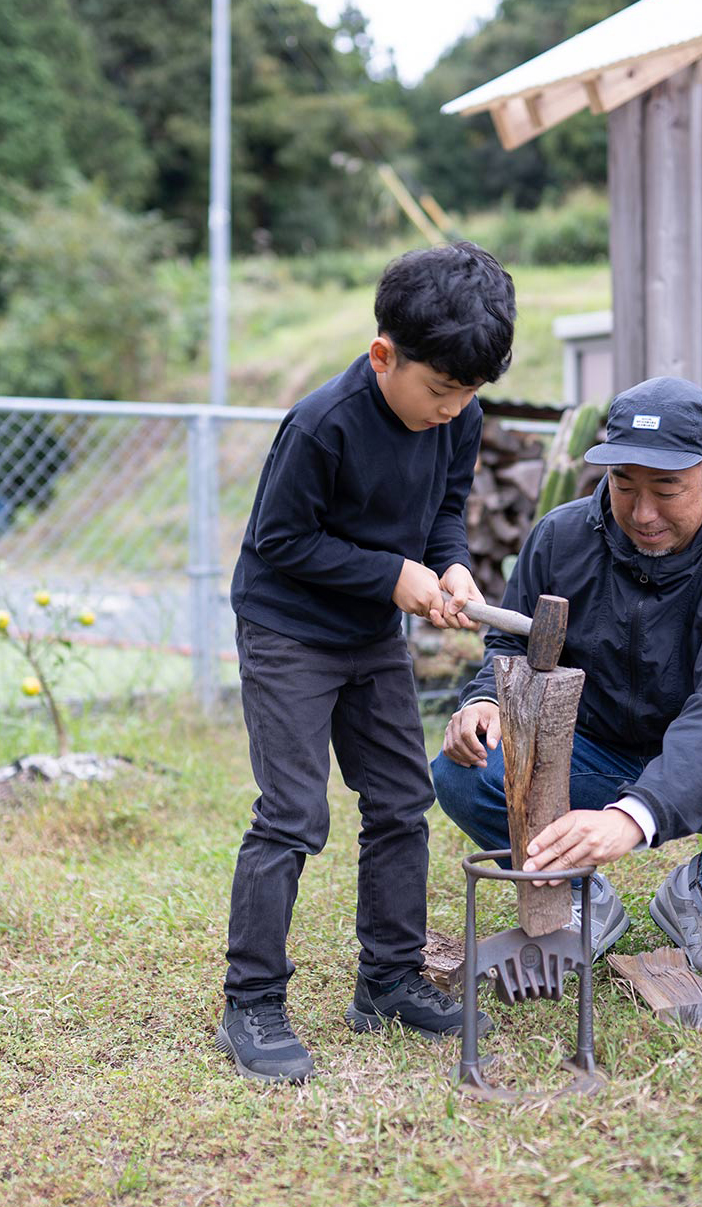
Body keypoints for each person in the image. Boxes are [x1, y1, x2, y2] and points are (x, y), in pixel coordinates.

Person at [434, 376, 702, 979]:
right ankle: (585, 898)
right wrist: (486, 701)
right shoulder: (561, 536)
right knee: (462, 771)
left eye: (667, 488)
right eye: (623, 485)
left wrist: (634, 817)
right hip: (587, 750)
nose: (642, 513)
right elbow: (513, 637)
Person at [217, 242, 515, 1083]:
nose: (453, 409)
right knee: (291, 813)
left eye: (467, 395)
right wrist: (393, 575)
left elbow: (443, 514)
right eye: (439, 390)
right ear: (384, 354)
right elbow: (279, 541)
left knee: (399, 798)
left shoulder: (457, 417)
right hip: (288, 630)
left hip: (370, 635)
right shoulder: (323, 422)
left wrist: (449, 563)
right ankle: (252, 1000)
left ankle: (386, 980)